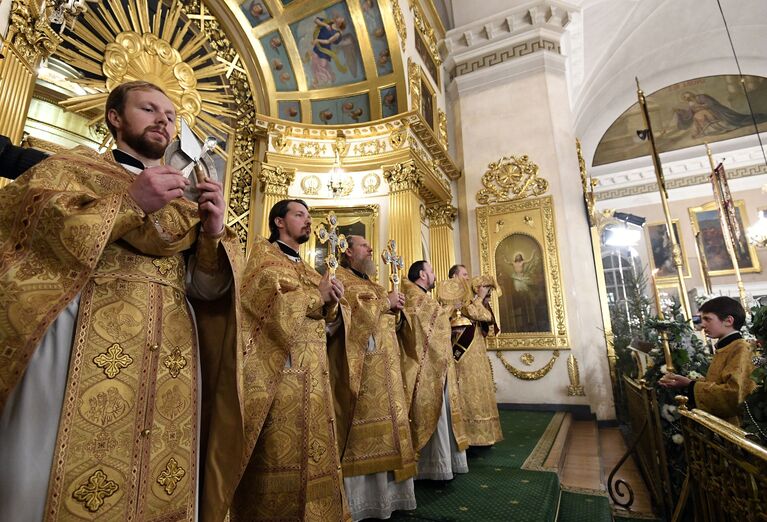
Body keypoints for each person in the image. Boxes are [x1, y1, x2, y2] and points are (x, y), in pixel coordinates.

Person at [0, 80, 240, 520]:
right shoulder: (72, 168)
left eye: (169, 116)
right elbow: (37, 227)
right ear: (115, 117)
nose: (162, 121)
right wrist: (129, 202)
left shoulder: (187, 202)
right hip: (80, 332)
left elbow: (206, 290)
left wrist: (212, 233)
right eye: (149, 109)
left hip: (169, 351)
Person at [231, 199, 351, 521]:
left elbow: (323, 318)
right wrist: (318, 297)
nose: (308, 221)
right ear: (279, 221)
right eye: (300, 215)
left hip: (314, 376)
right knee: (277, 456)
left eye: (309, 217)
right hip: (278, 380)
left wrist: (333, 304)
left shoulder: (308, 269)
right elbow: (264, 306)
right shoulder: (264, 259)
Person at [330, 235, 417, 520]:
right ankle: (361, 503)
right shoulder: (340, 278)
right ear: (347, 251)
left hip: (387, 372)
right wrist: (384, 303)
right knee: (362, 437)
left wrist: (398, 311)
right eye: (363, 245)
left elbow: (389, 323)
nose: (370, 249)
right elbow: (343, 315)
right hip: (362, 372)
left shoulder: (373, 283)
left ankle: (391, 500)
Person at [399, 261, 469, 480]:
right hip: (422, 366)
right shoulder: (414, 297)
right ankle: (432, 468)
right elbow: (433, 324)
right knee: (432, 413)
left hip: (437, 363)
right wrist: (448, 312)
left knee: (444, 413)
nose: (435, 275)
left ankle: (444, 463)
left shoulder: (423, 297)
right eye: (432, 271)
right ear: (422, 274)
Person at [659, 296, 756, 425]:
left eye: (707, 319)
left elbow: (735, 395)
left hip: (734, 426)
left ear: (728, 321)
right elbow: (717, 382)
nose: (703, 324)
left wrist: (692, 385)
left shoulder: (741, 348)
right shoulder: (726, 346)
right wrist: (688, 382)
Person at [445, 265, 503, 446]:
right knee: (468, 390)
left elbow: (486, 316)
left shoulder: (468, 297)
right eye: (465, 274)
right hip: (464, 354)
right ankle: (469, 436)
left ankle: (483, 434)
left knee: (479, 388)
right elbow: (478, 313)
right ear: (455, 276)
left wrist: (480, 297)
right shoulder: (454, 297)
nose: (468, 278)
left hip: (476, 349)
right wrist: (479, 297)